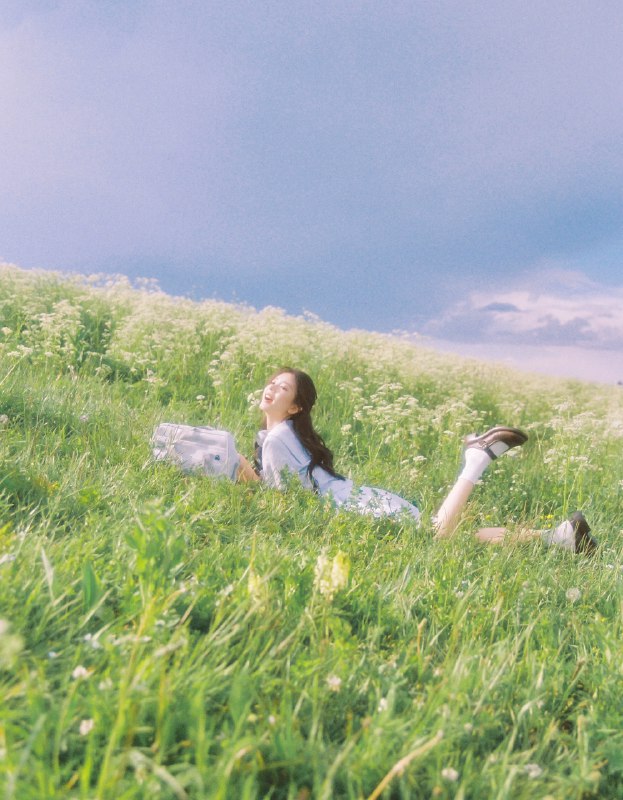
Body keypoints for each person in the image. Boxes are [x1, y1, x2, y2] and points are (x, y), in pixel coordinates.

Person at [236, 368, 597, 554]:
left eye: (283, 388)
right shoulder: (283, 434)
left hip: (343, 508)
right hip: (351, 497)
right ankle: (559, 537)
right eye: (272, 383)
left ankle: (476, 459)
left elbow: (283, 503)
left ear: (295, 406)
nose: (272, 388)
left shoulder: (276, 439)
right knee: (453, 536)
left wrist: (247, 478)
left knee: (436, 534)